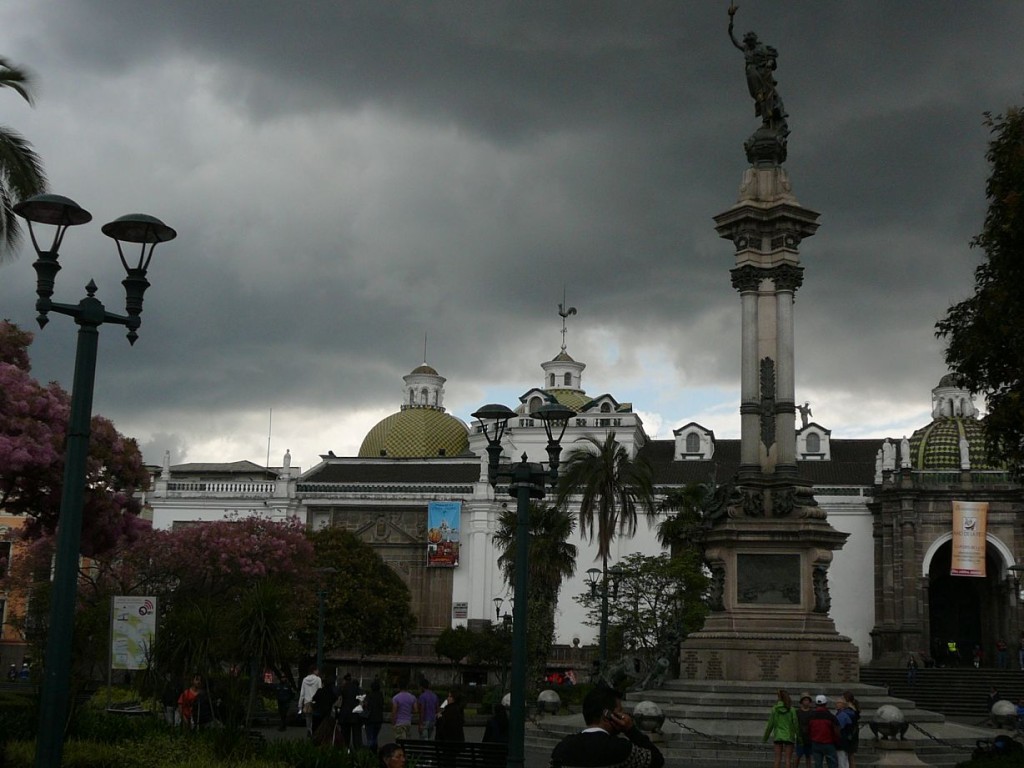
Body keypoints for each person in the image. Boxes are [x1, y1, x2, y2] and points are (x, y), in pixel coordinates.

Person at [550, 686, 665, 768]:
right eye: (620, 711)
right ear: (608, 715)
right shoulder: (622, 750)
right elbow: (657, 760)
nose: (624, 716)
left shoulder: (562, 748)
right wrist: (630, 729)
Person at [764, 688, 798, 768]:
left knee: (777, 759)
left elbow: (770, 725)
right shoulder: (792, 710)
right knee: (788, 760)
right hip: (789, 736)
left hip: (778, 736)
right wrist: (799, 738)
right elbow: (796, 724)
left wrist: (765, 738)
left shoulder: (774, 709)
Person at [807, 694, 840, 768]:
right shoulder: (831, 717)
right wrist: (837, 741)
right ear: (825, 704)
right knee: (832, 764)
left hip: (815, 743)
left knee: (818, 765)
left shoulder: (811, 716)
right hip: (829, 743)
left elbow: (808, 730)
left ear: (816, 704)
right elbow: (837, 731)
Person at [336, 673, 363, 750]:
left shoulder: (342, 688)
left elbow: (338, 700)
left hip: (344, 714)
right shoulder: (357, 689)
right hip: (355, 714)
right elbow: (362, 701)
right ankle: (357, 751)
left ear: (344, 680)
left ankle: (345, 750)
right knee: (357, 736)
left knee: (345, 735)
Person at [297, 666, 323, 738]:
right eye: (317, 670)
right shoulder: (318, 679)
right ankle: (315, 733)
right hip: (315, 702)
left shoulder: (305, 680)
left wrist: (300, 705)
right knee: (315, 718)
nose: (318, 672)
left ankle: (309, 729)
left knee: (308, 718)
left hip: (307, 702)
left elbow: (302, 693)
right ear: (314, 671)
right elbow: (320, 691)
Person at [364, 679, 386, 751]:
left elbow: (366, 706)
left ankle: (370, 752)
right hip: (378, 719)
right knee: (375, 736)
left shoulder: (369, 696)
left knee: (370, 737)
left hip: (370, 719)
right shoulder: (380, 696)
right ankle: (374, 750)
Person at [840, 692, 861, 768]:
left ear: (847, 699)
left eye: (843, 698)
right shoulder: (854, 709)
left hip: (850, 735)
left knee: (850, 757)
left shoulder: (850, 710)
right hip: (853, 734)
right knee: (850, 756)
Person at [795, 693, 814, 768]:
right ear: (801, 701)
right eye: (805, 700)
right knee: (798, 755)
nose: (806, 702)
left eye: (808, 700)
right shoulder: (797, 712)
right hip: (800, 737)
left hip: (809, 737)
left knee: (808, 756)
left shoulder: (812, 712)